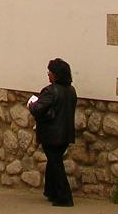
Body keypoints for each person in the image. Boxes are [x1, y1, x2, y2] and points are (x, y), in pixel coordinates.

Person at [28, 58, 78, 208]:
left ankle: (64, 196)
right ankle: (51, 191)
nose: (48, 75)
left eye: (50, 72)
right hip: (66, 133)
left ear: (55, 74)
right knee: (54, 161)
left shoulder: (51, 91)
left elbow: (38, 109)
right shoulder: (71, 90)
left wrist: (32, 105)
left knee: (55, 163)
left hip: (52, 133)